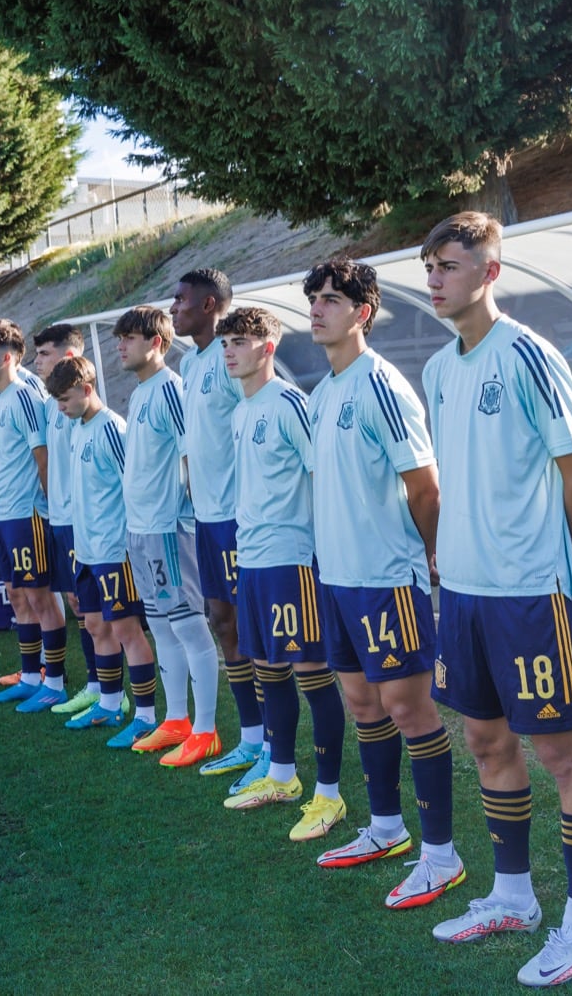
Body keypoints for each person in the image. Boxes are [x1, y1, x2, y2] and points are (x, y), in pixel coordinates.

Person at [417, 212, 572, 988]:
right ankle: (512, 897)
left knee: (562, 754)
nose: (435, 278)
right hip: (461, 592)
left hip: (531, 593)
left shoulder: (530, 356)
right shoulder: (437, 368)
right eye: (430, 266)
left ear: (489, 273)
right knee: (487, 745)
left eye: (451, 265)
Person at [304, 258, 466, 894]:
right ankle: (385, 825)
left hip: (387, 579)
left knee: (410, 710)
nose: (317, 309)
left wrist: (434, 558)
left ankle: (442, 854)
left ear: (362, 313)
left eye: (331, 300)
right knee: (363, 704)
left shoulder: (382, 385)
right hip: (337, 579)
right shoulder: (322, 396)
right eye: (313, 298)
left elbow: (424, 486)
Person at [212, 307, 350, 846]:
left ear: (267, 348)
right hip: (254, 560)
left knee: (313, 676)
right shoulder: (242, 411)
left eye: (240, 342)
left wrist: (323, 554)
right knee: (268, 670)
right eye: (226, 342)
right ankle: (283, 776)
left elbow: (323, 477)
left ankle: (330, 794)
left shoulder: (291, 403)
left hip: (294, 560)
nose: (229, 351)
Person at [171, 268, 267, 781]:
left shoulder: (239, 359)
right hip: (206, 517)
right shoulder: (191, 363)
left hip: (240, 518)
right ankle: (250, 738)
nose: (174, 309)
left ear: (210, 305)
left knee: (255, 631)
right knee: (222, 622)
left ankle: (277, 745)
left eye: (182, 300)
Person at [116, 305, 221, 767]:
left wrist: (183, 515)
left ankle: (206, 729)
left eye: (130, 338)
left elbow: (190, 455)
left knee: (189, 626)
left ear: (156, 343)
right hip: (140, 530)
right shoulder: (140, 393)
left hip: (167, 531)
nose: (120, 345)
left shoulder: (171, 390)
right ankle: (176, 718)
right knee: (161, 628)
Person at [46, 355, 152, 740]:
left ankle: (146, 715)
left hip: (113, 549)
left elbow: (133, 484)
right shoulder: (78, 428)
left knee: (126, 630)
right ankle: (110, 703)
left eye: (64, 399)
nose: (60, 408)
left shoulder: (111, 428)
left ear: (87, 390)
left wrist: (130, 543)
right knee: (93, 625)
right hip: (86, 549)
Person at [0, 320, 69, 710]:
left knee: (39, 595)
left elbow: (41, 456)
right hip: (6, 513)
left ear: (7, 358)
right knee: (15, 593)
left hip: (29, 514)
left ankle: (55, 681)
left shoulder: (26, 397)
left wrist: (50, 505)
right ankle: (30, 675)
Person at [31, 324, 101, 714]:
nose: (36, 361)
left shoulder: (84, 407)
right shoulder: (49, 404)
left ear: (69, 356)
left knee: (94, 608)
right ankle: (95, 683)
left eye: (43, 353)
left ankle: (109, 689)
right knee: (77, 603)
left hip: (82, 519)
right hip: (59, 517)